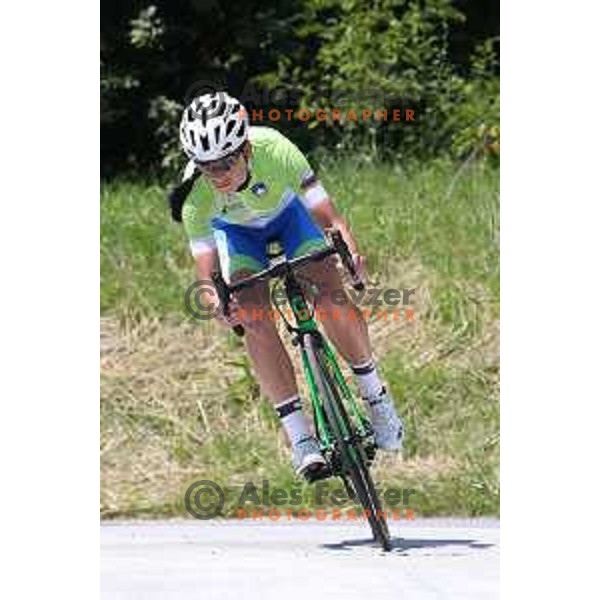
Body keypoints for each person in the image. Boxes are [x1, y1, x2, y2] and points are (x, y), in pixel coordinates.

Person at [169, 92, 404, 479]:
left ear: (245, 148)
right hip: (238, 237)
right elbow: (206, 271)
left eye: (227, 162)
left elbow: (331, 219)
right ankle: (301, 439)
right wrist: (216, 302)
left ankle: (376, 397)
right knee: (252, 316)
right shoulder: (194, 196)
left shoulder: (275, 149)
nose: (220, 175)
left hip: (290, 219)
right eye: (208, 167)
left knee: (330, 293)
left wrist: (352, 259)